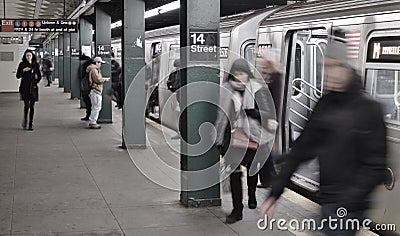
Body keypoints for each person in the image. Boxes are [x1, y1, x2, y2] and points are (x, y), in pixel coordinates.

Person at [259, 32, 387, 235]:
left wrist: (347, 201)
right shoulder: (324, 105)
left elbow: (376, 165)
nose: (329, 73)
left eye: (335, 67)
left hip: (350, 208)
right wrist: (275, 192)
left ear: (347, 69)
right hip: (328, 202)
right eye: (325, 67)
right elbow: (302, 149)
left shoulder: (368, 109)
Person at [215, 58, 277, 224]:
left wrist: (252, 113)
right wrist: (219, 139)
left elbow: (268, 113)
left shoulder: (258, 89)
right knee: (234, 174)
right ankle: (237, 210)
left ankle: (251, 196)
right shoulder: (226, 90)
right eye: (236, 73)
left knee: (252, 168)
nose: (239, 77)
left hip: (253, 135)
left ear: (247, 74)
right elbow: (221, 115)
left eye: (242, 73)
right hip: (232, 137)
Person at [255, 49, 283, 188]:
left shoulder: (276, 78)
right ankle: (268, 179)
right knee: (264, 150)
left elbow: (276, 100)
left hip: (268, 119)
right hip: (264, 118)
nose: (262, 66)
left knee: (264, 150)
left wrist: (273, 118)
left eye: (265, 63)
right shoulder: (268, 76)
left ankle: (269, 179)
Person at [16, 49, 42, 131]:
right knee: (26, 105)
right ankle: (25, 121)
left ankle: (31, 123)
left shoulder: (35, 65)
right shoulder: (22, 64)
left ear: (32, 56)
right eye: (27, 55)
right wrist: (23, 70)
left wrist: (35, 82)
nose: (28, 57)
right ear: (25, 56)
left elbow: (39, 76)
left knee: (32, 106)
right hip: (25, 87)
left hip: (33, 88)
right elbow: (18, 76)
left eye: (30, 55)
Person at [87, 56, 110, 129]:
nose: (100, 65)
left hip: (94, 90)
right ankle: (93, 122)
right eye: (100, 63)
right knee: (97, 107)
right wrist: (105, 79)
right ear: (96, 63)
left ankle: (92, 121)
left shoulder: (93, 69)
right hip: (96, 90)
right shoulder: (94, 70)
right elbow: (98, 80)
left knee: (95, 106)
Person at [167, 59, 181, 139]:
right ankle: (180, 132)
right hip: (179, 94)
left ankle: (180, 132)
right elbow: (169, 82)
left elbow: (169, 82)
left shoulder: (174, 72)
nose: (177, 68)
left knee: (180, 113)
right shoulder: (175, 73)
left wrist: (172, 88)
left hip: (178, 93)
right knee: (180, 112)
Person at [80, 54, 93, 121]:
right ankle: (89, 115)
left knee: (88, 102)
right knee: (89, 102)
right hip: (87, 87)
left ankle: (89, 116)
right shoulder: (88, 66)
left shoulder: (86, 67)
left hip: (86, 87)